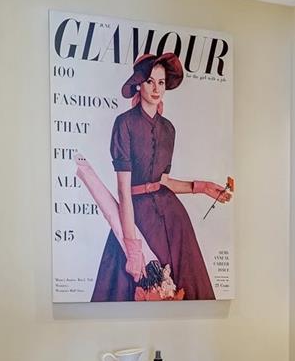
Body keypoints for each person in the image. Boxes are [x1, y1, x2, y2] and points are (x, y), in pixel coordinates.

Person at [90, 52, 232, 301]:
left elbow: (162, 181)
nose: (156, 89)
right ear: (139, 84)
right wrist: (133, 248)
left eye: (162, 82)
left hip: (173, 219)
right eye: (150, 81)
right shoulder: (124, 124)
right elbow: (124, 190)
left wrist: (203, 187)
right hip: (137, 219)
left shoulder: (169, 129)